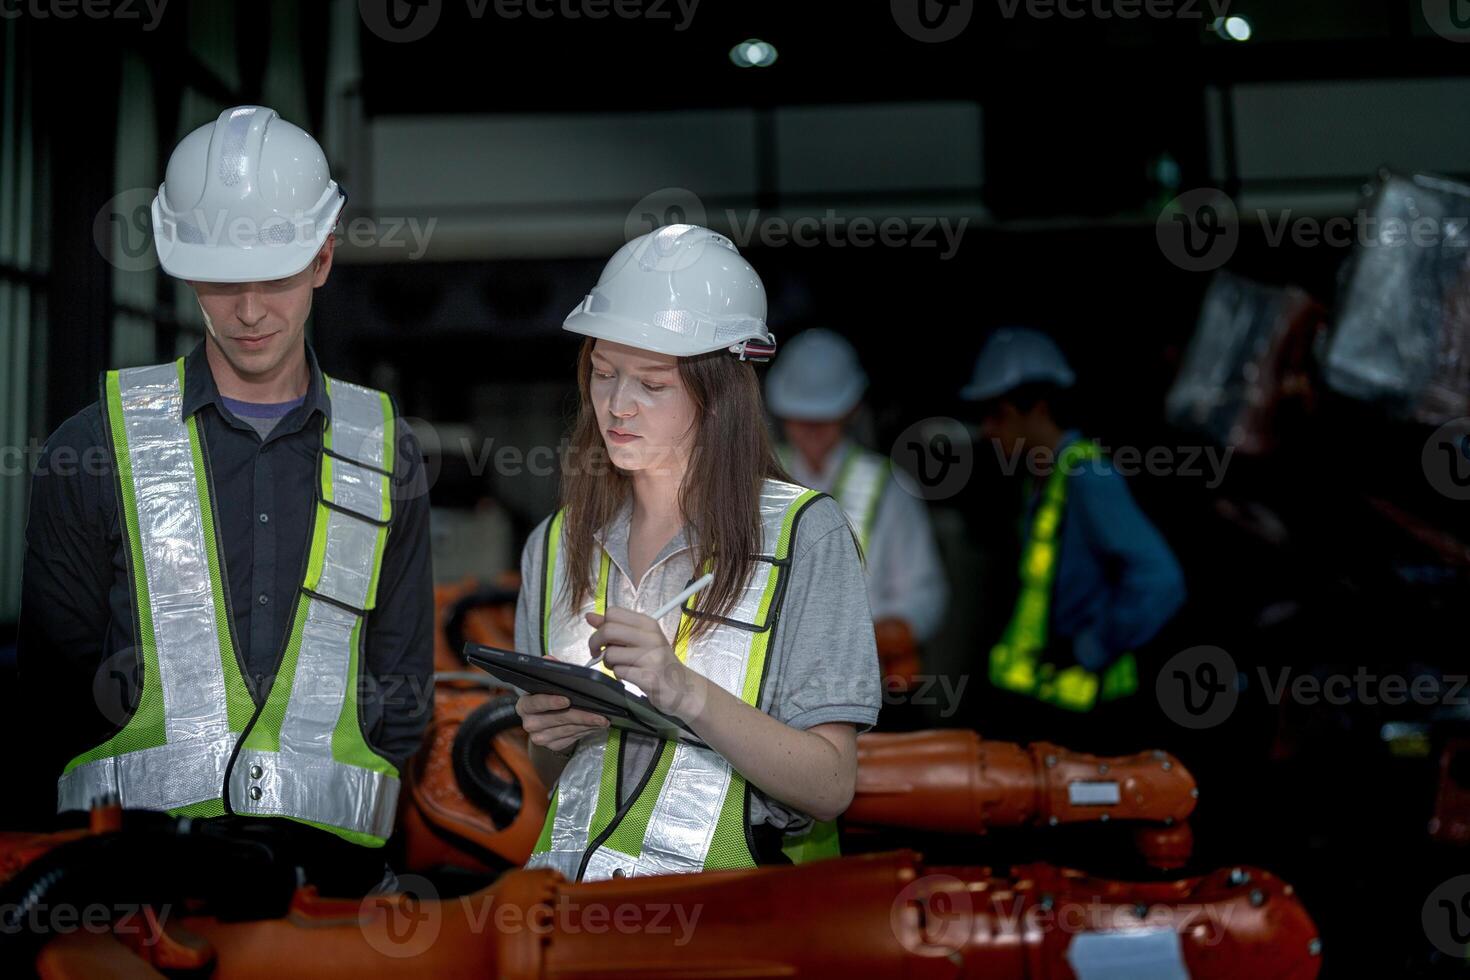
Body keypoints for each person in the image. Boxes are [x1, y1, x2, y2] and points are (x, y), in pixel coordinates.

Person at [17, 106, 433, 893]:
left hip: (332, 885)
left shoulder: (385, 451)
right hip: (134, 884)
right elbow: (49, 701)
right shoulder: (93, 445)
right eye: (220, 279)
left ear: (322, 257)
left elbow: (403, 690)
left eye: (275, 277)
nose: (247, 311)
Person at [513, 225, 881, 881]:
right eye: (602, 374)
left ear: (718, 398)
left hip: (736, 921)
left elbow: (829, 785)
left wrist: (679, 688)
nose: (617, 407)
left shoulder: (805, 536)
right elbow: (558, 783)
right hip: (574, 916)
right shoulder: (555, 545)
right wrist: (549, 735)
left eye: (652, 385)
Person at [962, 327, 1185, 747]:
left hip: (1089, 713)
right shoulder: (1042, 480)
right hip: (1046, 701)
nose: (989, 431)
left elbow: (1161, 580)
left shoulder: (1089, 477)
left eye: (999, 415)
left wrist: (1091, 646)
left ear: (1038, 409)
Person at [765, 328, 949, 685]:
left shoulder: (890, 488)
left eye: (824, 418)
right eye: (802, 417)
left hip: (860, 680)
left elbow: (924, 590)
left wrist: (902, 627)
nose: (812, 430)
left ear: (850, 410)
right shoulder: (757, 478)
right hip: (769, 680)